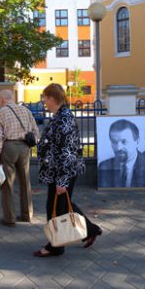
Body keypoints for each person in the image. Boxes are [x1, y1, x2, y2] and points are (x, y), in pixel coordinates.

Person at [33, 83, 102, 257]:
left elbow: (67, 152)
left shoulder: (64, 119)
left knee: (55, 207)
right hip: (57, 171)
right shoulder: (60, 115)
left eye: (45, 99)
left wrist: (62, 181)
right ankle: (90, 231)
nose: (44, 103)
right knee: (63, 205)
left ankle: (55, 246)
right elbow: (53, 143)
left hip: (63, 172)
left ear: (52, 98)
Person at [0, 89, 39, 227]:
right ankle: (27, 215)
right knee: (25, 181)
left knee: (7, 184)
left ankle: (9, 218)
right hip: (25, 148)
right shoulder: (26, 111)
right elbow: (36, 132)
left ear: (1, 100)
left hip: (9, 148)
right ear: (12, 98)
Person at [98, 119, 145, 188]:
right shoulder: (104, 166)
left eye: (124, 142)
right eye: (114, 142)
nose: (118, 148)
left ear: (137, 141)